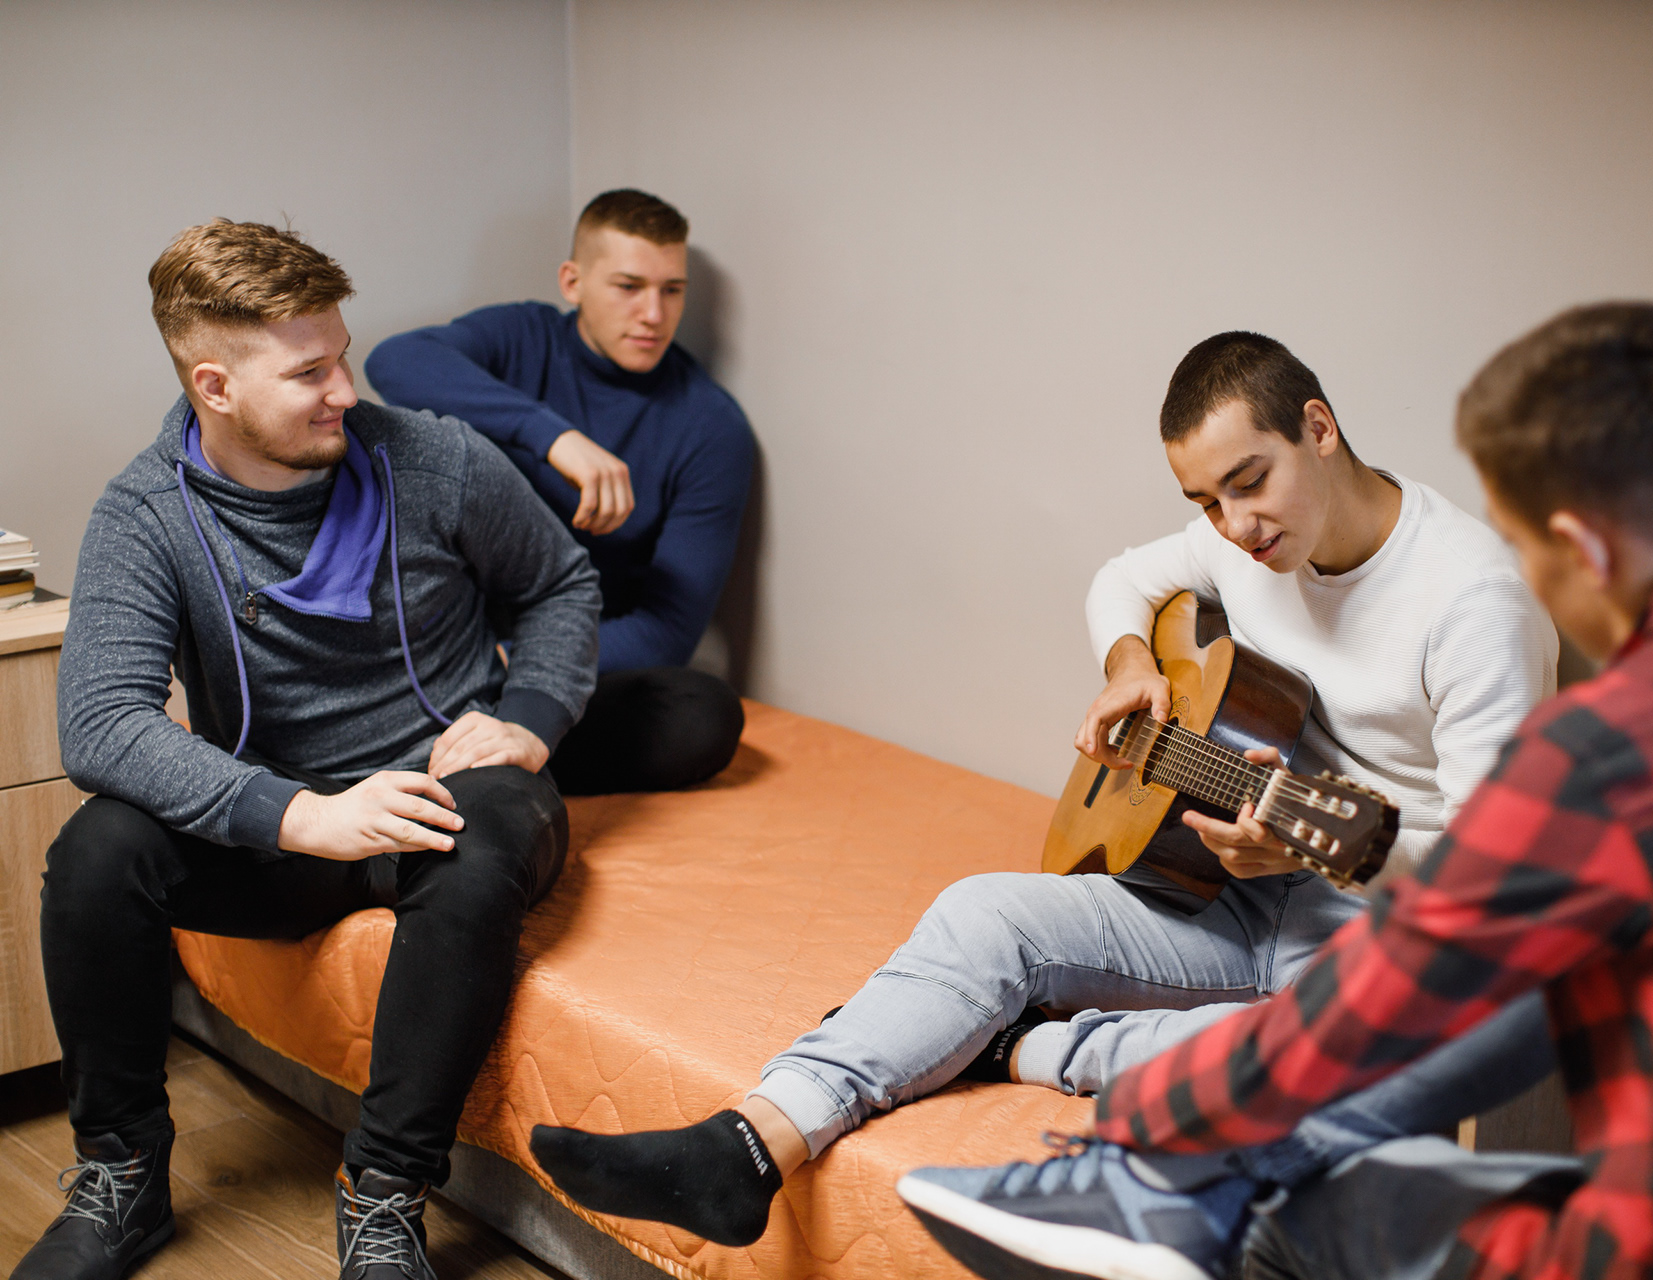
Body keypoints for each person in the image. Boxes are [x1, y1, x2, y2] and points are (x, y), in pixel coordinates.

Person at [897, 302, 1653, 1280]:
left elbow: (1389, 1005)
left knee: (1325, 1188)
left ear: (1582, 549)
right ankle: (1166, 1182)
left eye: (1527, 548)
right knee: (1534, 984)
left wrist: (1148, 1126)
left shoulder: (1611, 754)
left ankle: (1146, 1187)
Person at [528, 331, 1563, 1249]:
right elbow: (1123, 580)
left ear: (1319, 429)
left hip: (1381, 934)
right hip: (1230, 890)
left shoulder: (1473, 602)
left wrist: (1306, 843)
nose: (1235, 525)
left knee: (1342, 1056)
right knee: (983, 911)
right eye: (1206, 502)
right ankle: (749, 1145)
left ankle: (1034, 1046)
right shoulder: (1241, 540)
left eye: (1250, 482)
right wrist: (1130, 664)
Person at [12, 220, 601, 1280]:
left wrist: (532, 712)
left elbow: (559, 582)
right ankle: (122, 1173)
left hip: (440, 791)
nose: (345, 389)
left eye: (342, 356)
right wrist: (302, 815)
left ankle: (384, 1194)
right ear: (215, 386)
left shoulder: (435, 457)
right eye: (309, 373)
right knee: (97, 850)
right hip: (291, 825)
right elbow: (101, 723)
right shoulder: (145, 515)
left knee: (484, 826)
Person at [366, 188, 752, 796]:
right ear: (573, 282)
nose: (654, 313)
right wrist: (553, 436)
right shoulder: (524, 336)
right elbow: (396, 360)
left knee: (704, 713)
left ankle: (491, 754)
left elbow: (668, 630)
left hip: (563, 667)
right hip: (448, 638)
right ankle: (476, 758)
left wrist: (516, 667)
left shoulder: (711, 428)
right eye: (629, 287)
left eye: (672, 290)